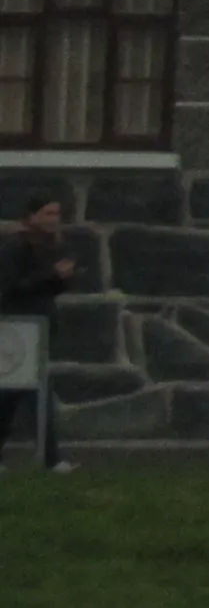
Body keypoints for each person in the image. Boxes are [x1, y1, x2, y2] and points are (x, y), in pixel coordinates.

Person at [1, 194, 72, 471]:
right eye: (47, 213)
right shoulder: (16, 246)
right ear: (31, 217)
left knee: (13, 392)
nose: (53, 219)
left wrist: (60, 281)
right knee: (33, 391)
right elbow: (12, 287)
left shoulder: (47, 247)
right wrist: (52, 277)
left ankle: (49, 457)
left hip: (37, 327)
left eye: (56, 214)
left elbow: (42, 289)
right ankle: (51, 458)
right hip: (21, 330)